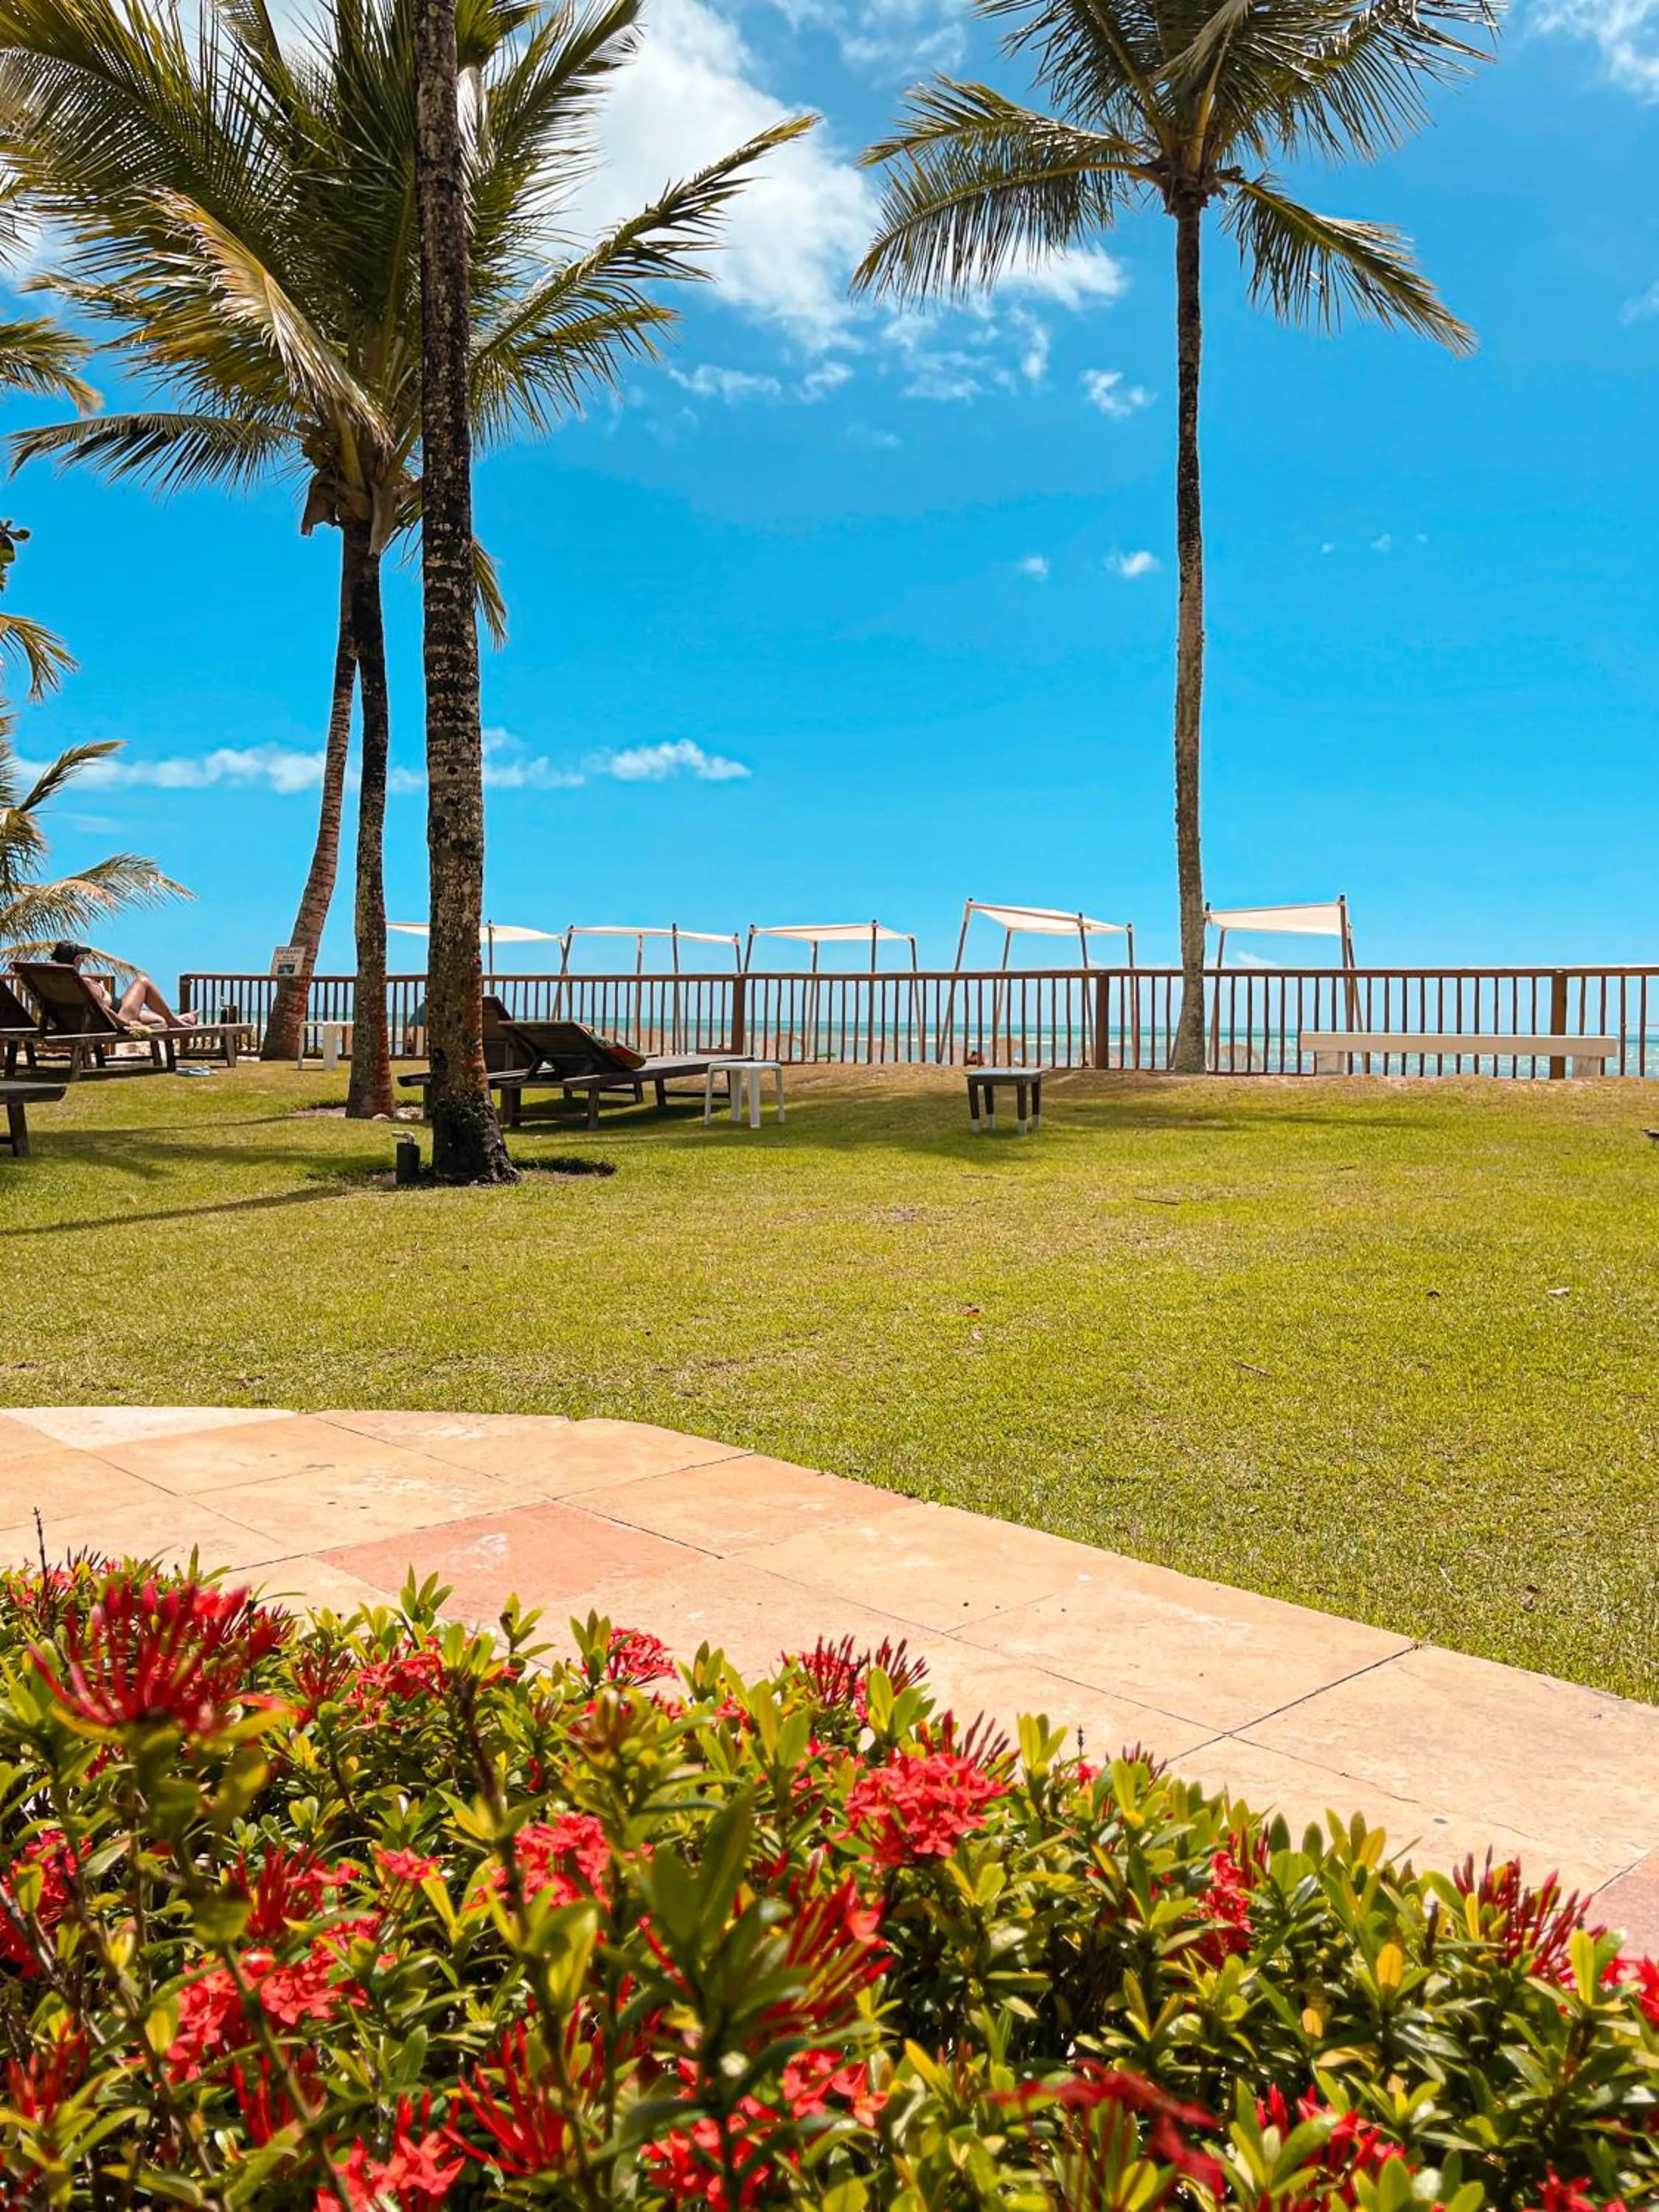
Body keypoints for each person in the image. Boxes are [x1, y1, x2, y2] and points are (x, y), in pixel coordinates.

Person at [49, 942, 198, 1029]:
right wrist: (125, 1023)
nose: (83, 961)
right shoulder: (84, 983)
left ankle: (180, 1018)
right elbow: (103, 1011)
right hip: (118, 1017)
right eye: (82, 958)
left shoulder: (53, 984)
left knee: (158, 1020)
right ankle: (174, 1021)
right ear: (77, 959)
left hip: (93, 1021)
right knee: (143, 981)